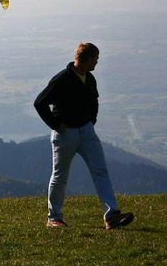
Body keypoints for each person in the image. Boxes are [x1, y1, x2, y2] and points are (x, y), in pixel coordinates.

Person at [33, 42, 134, 230]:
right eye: (95, 59)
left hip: (87, 132)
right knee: (60, 176)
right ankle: (54, 218)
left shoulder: (89, 78)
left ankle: (112, 216)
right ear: (87, 59)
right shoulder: (61, 80)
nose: (96, 63)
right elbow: (39, 102)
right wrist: (56, 125)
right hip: (65, 135)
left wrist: (91, 121)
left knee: (100, 172)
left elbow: (94, 100)